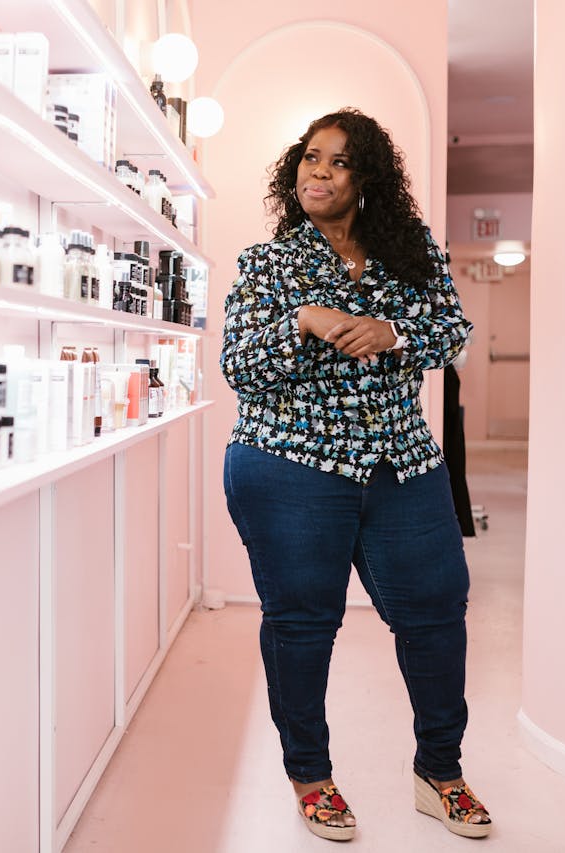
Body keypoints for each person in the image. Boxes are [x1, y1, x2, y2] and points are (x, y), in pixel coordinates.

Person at [220, 108, 492, 841]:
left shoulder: (413, 255)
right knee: (305, 622)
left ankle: (441, 771)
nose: (319, 171)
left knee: (436, 614)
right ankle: (311, 776)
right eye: (311, 157)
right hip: (289, 464)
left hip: (403, 461)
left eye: (339, 162)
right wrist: (301, 320)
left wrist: (394, 331)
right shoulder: (267, 264)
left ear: (366, 179)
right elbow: (240, 368)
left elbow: (452, 331)